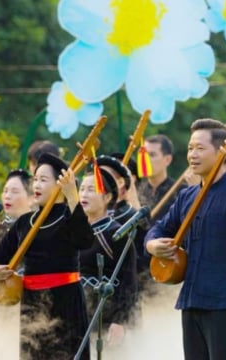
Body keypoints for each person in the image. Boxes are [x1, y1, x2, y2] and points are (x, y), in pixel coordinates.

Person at [145, 118, 226, 360]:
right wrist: (153, 245)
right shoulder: (187, 195)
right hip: (192, 300)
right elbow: (158, 229)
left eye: (200, 148)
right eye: (191, 148)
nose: (192, 154)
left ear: (221, 152)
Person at [0, 153, 95, 360]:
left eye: (43, 180)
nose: (37, 184)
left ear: (60, 184)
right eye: (35, 179)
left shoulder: (69, 216)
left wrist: (73, 197)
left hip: (65, 301)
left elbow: (84, 240)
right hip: (31, 303)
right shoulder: (25, 221)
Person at [78, 168, 138, 346]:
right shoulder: (74, 232)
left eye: (91, 189)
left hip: (106, 318)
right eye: (82, 189)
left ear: (107, 197)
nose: (84, 194)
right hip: (79, 315)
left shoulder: (117, 234)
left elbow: (129, 282)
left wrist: (120, 320)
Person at [97, 155, 149, 297]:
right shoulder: (89, 217)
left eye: (105, 177)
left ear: (120, 182)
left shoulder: (130, 216)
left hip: (119, 291)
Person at [0, 168, 33, 271]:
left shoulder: (35, 224)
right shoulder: (5, 223)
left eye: (15, 191)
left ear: (31, 197)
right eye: (5, 191)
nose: (7, 196)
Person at [138, 134, 187, 223]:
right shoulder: (137, 190)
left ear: (168, 159)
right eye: (143, 154)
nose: (146, 159)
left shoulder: (181, 191)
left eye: (152, 155)